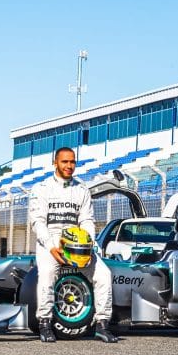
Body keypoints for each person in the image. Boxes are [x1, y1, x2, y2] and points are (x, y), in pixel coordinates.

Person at [29, 147, 117, 343]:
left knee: (104, 274)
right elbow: (37, 222)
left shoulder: (81, 189)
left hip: (77, 243)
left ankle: (102, 324)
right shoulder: (41, 189)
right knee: (47, 274)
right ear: (55, 163)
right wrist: (52, 246)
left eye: (72, 162)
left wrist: (88, 241)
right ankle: (45, 322)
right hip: (50, 241)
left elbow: (87, 220)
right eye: (64, 162)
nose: (69, 166)